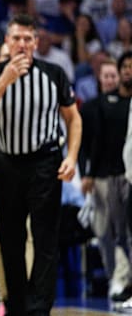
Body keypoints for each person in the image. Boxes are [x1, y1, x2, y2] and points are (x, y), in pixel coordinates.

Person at [0, 14, 82, 316]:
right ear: (7, 41)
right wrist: (5, 80)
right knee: (10, 240)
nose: (21, 44)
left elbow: (73, 119)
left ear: (35, 42)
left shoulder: (54, 73)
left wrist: (71, 157)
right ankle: (16, 307)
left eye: (27, 38)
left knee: (45, 239)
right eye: (15, 37)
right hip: (7, 164)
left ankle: (39, 309)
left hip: (45, 162)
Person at [80, 51, 132, 304]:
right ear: (99, 78)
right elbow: (91, 143)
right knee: (103, 231)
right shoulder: (93, 107)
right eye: (108, 75)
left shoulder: (128, 103)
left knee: (124, 231)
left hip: (126, 175)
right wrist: (87, 173)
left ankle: (123, 279)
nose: (112, 79)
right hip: (101, 175)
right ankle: (116, 276)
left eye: (115, 74)